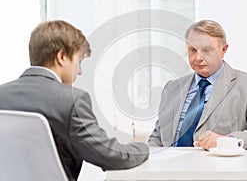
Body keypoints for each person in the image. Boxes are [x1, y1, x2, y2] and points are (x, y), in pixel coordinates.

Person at [0, 20, 149, 181]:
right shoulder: (72, 101)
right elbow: (112, 156)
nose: (80, 71)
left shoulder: (2, 94)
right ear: (62, 57)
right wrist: (140, 145)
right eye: (79, 61)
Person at [148, 19, 247, 150]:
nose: (198, 58)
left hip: (217, 171)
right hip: (168, 171)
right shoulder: (172, 88)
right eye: (193, 50)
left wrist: (228, 140)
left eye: (207, 50)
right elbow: (157, 137)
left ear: (223, 50)